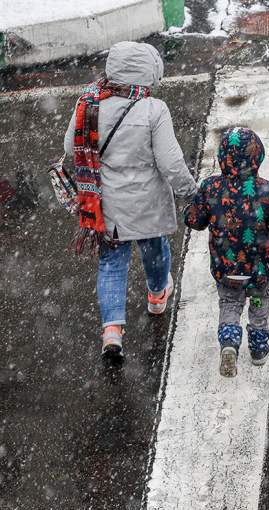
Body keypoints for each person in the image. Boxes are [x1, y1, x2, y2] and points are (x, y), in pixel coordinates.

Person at [63, 41, 197, 364]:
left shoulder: (89, 103)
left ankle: (112, 331)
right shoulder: (154, 110)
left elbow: (70, 147)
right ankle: (155, 297)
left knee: (112, 264)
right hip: (148, 205)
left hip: (107, 207)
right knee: (154, 251)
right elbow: (171, 163)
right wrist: (191, 191)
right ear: (147, 74)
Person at [184, 127, 269, 377]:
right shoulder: (268, 191)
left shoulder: (211, 187)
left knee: (229, 304)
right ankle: (259, 349)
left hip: (226, 268)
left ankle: (229, 343)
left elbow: (195, 220)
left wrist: (191, 209)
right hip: (258, 271)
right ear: (258, 156)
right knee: (259, 306)